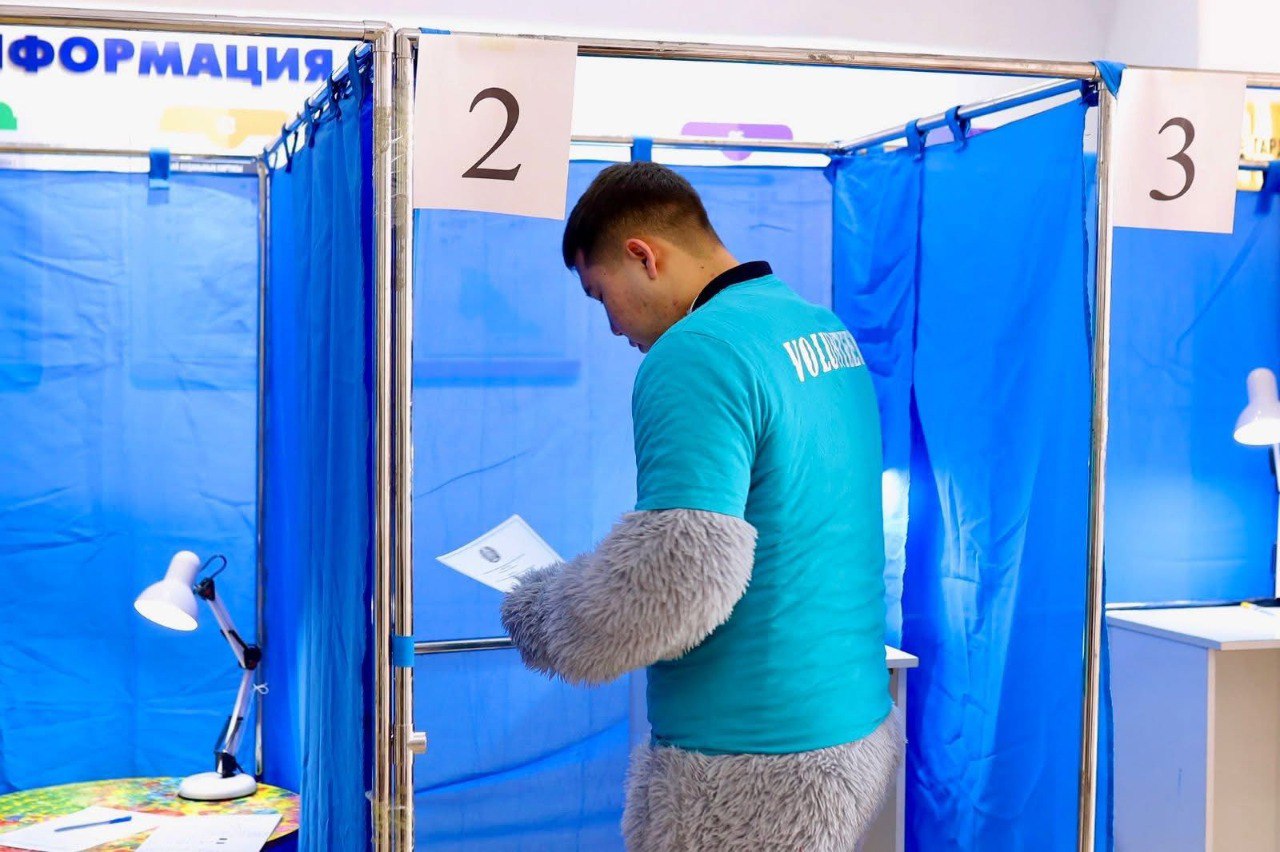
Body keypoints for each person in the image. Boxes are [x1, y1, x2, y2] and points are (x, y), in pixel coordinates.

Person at [500, 161, 902, 851]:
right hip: (847, 725)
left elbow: (677, 581)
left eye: (601, 295)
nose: (611, 326)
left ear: (643, 256)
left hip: (749, 762)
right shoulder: (819, 329)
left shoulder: (696, 351)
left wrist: (538, 613)